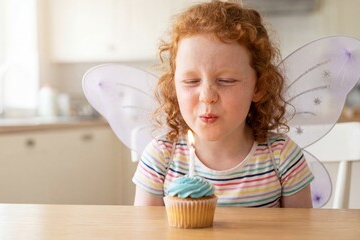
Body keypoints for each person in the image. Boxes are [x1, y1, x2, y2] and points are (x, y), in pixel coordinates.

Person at [132, 0, 314, 208]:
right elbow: (145, 232)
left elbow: (302, 231)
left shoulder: (281, 157)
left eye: (226, 80)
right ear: (174, 87)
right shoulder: (161, 158)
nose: (207, 96)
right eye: (191, 81)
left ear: (259, 87)